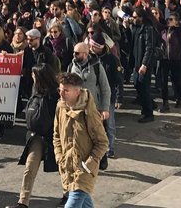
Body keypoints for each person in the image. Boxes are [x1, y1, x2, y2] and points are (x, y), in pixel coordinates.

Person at [52, 72, 108, 208]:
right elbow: (56, 135)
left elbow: (102, 142)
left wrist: (89, 164)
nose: (61, 94)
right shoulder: (60, 107)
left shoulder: (89, 113)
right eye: (60, 90)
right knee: (85, 204)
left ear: (77, 92)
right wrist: (59, 156)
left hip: (84, 171)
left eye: (66, 91)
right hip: (67, 167)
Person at [7, 64, 59, 208]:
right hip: (36, 136)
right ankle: (23, 202)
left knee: (64, 168)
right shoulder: (35, 89)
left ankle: (68, 195)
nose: (32, 77)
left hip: (54, 136)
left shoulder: (55, 95)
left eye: (34, 74)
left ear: (41, 77)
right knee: (30, 167)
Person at [130, 8, 157, 123]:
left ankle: (148, 113)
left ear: (141, 17)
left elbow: (149, 48)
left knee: (144, 87)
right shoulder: (136, 28)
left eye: (135, 17)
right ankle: (150, 104)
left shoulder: (148, 28)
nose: (133, 19)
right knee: (137, 84)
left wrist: (144, 64)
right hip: (136, 61)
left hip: (144, 63)